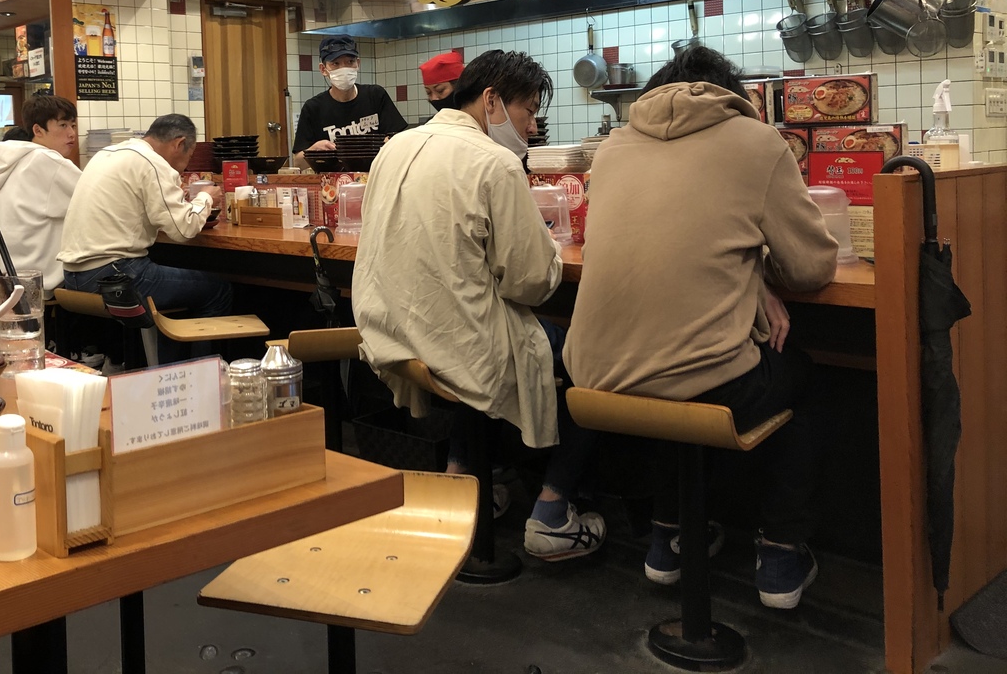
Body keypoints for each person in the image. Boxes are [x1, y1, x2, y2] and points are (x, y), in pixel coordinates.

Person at [563, 45, 838, 609]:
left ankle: (670, 536)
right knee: (804, 377)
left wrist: (749, 277)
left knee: (677, 361)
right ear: (729, 96)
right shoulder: (758, 141)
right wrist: (758, 273)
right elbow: (811, 269)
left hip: (591, 379)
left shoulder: (610, 149)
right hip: (698, 383)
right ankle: (781, 553)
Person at [353, 49, 606, 561]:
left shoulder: (396, 145)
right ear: (491, 101)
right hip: (457, 344)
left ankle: (460, 485)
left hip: (391, 334)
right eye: (527, 110)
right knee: (594, 358)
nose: (532, 126)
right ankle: (553, 512)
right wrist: (549, 248)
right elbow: (530, 284)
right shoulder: (495, 162)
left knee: (472, 328)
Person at [58, 113, 230, 364]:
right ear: (179, 143)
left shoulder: (107, 154)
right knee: (218, 290)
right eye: (190, 156)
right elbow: (184, 229)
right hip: (115, 276)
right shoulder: (152, 163)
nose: (185, 166)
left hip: (73, 277)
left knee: (178, 293)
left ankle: (168, 373)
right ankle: (202, 375)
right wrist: (206, 198)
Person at [0, 94, 81, 291]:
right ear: (38, 130)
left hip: (11, 278)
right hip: (43, 280)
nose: (72, 133)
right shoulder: (47, 161)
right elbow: (97, 199)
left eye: (73, 125)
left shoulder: (14, 161)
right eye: (63, 125)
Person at [291, 35, 408, 169]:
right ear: (323, 69)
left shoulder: (375, 95)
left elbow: (400, 138)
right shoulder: (313, 108)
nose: (344, 68)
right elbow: (298, 163)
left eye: (350, 61)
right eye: (336, 63)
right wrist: (313, 151)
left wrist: (389, 144)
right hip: (333, 180)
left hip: (376, 176)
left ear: (358, 64)